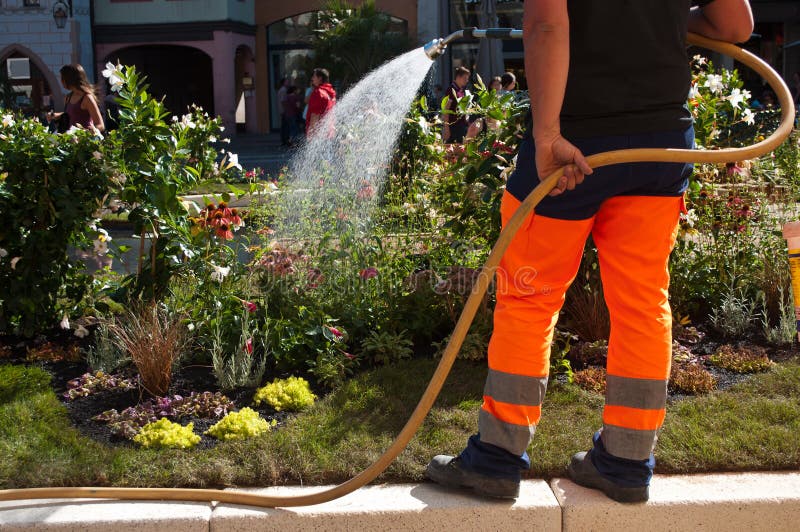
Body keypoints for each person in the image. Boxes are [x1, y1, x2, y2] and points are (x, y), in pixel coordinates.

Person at [426, 0, 753, 503]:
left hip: (574, 141)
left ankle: (496, 458)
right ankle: (625, 461)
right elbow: (735, 25)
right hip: (658, 145)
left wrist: (547, 135)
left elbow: (548, 23)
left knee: (530, 297)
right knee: (643, 302)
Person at [46, 64, 104, 134]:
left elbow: (100, 125)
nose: (61, 81)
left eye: (62, 78)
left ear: (69, 79)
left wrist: (85, 133)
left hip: (84, 142)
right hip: (71, 141)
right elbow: (71, 114)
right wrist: (55, 115)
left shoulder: (87, 98)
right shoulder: (68, 97)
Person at [442, 66, 471, 143]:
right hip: (453, 127)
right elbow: (446, 109)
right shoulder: (451, 90)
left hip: (461, 125)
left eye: (467, 78)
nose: (467, 80)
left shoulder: (461, 90)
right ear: (458, 77)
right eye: (465, 78)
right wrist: (446, 128)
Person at [305, 68, 336, 138]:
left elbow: (315, 115)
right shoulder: (331, 93)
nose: (312, 79)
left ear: (320, 78)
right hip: (329, 132)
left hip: (318, 135)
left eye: (314, 76)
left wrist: (311, 136)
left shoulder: (318, 93)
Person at [277, 77, 290, 146]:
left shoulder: (282, 90)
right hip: (284, 110)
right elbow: (283, 101)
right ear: (284, 82)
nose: (288, 83)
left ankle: (284, 140)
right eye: (287, 81)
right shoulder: (283, 90)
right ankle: (285, 140)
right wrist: (286, 110)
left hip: (282, 110)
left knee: (284, 125)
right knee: (285, 125)